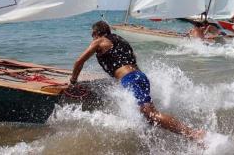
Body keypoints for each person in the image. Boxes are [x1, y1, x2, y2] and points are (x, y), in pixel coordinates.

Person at [70, 21, 204, 141]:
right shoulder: (121, 41)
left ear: (95, 33)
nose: (92, 37)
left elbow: (79, 62)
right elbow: (130, 60)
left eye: (92, 34)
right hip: (140, 76)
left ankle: (193, 134)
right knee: (146, 115)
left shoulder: (99, 41)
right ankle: (156, 141)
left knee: (151, 114)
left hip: (131, 79)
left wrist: (73, 81)